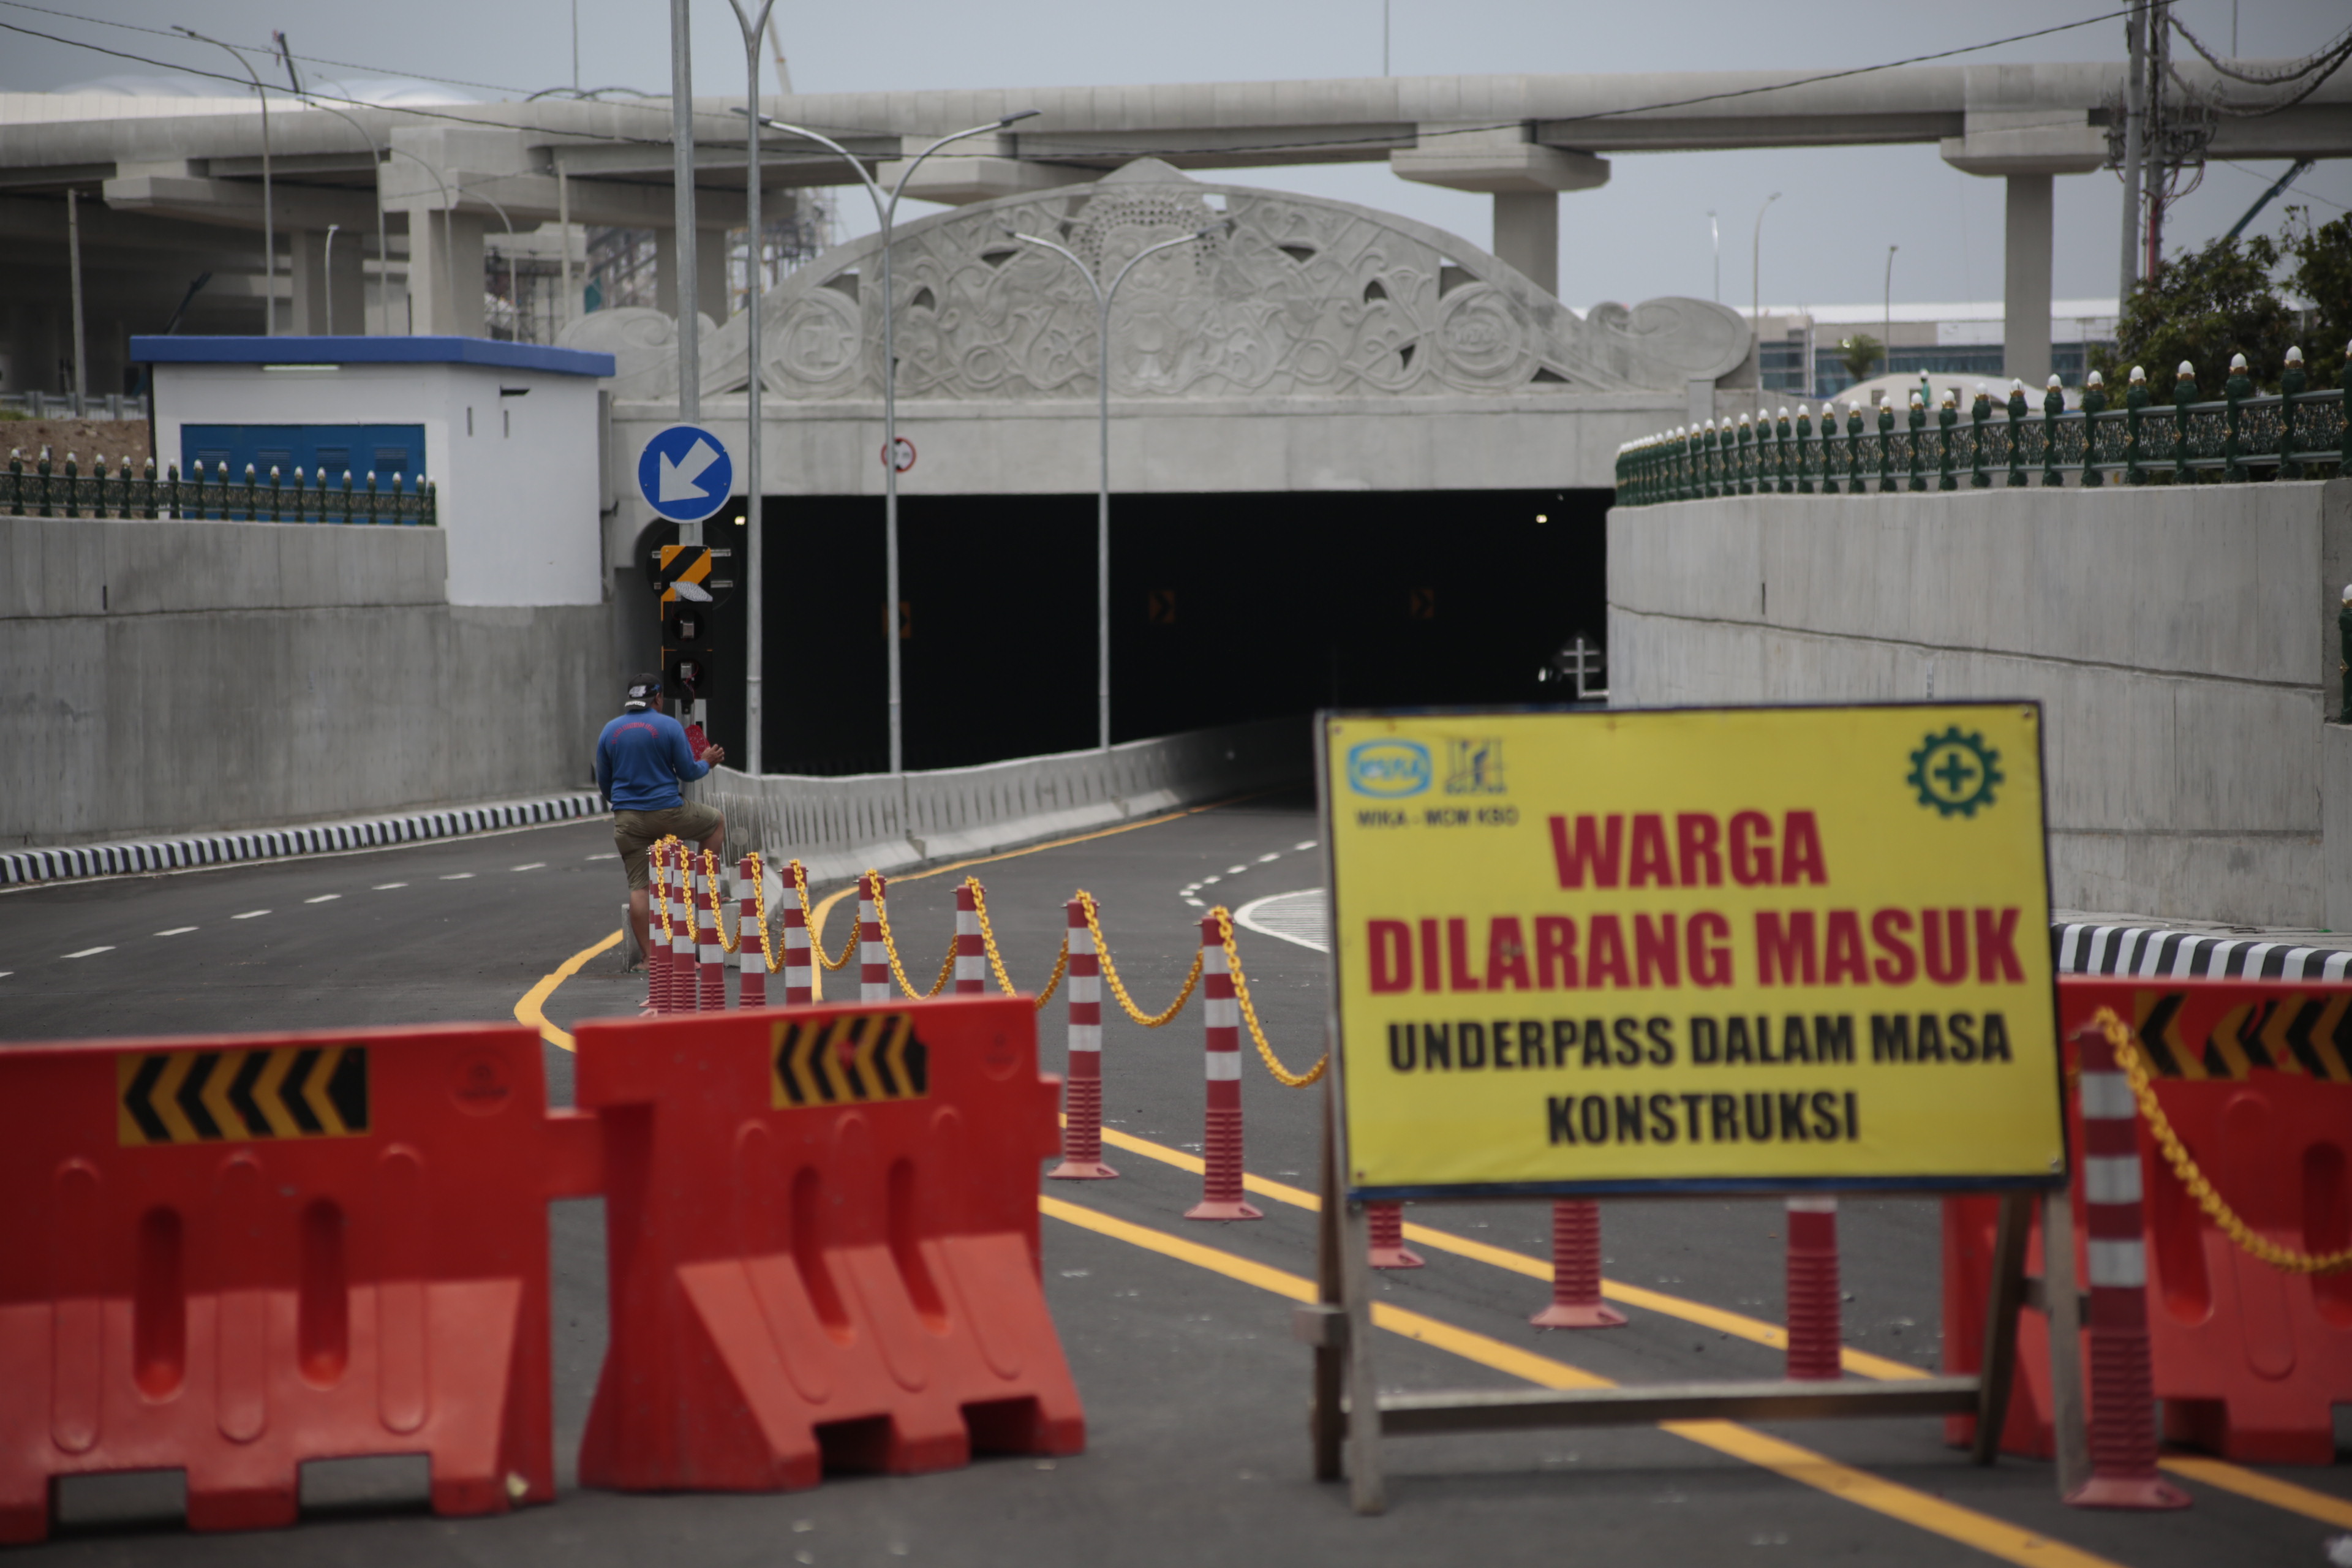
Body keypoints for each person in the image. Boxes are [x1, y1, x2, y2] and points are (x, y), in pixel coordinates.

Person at [597, 673, 726, 973]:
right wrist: (707, 760)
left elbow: (605, 782)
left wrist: (624, 804)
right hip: (669, 812)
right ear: (657, 698)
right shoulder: (669, 726)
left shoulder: (610, 731)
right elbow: (688, 772)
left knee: (640, 888)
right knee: (715, 822)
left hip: (627, 818)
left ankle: (650, 958)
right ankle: (700, 887)